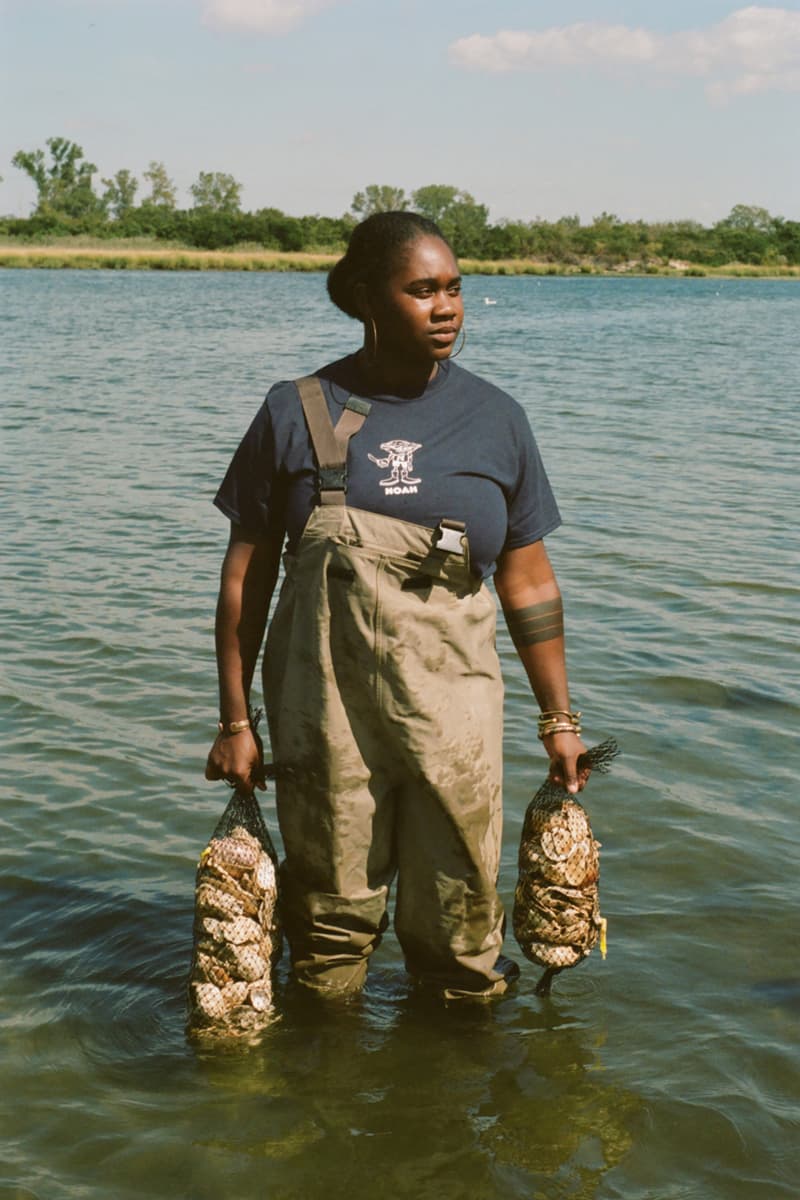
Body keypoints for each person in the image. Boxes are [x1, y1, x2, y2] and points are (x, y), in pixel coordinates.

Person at [205, 212, 588, 1002]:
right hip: (326, 715)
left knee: (461, 923)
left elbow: (528, 582)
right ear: (368, 301)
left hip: (456, 712)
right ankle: (325, 1097)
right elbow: (245, 582)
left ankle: (447, 1097)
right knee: (328, 932)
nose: (445, 307)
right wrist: (237, 724)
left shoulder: (496, 419)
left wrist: (560, 720)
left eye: (453, 289)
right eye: (421, 291)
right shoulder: (296, 411)